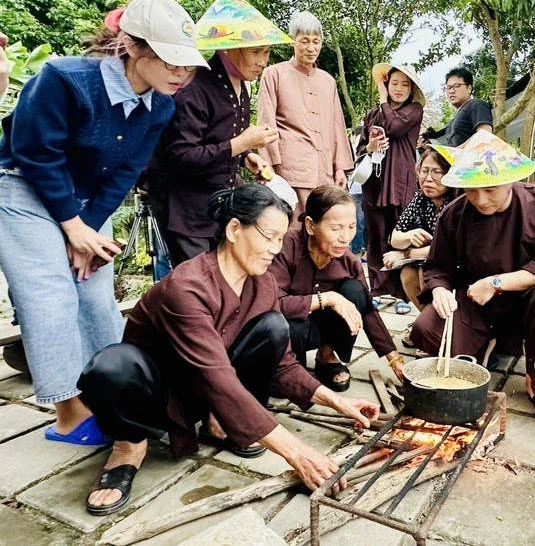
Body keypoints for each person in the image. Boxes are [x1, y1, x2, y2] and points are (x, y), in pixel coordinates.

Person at [79, 185, 380, 515]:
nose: (274, 249)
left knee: (274, 327)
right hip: (161, 392)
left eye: (280, 239)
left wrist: (338, 402)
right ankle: (128, 446)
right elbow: (216, 375)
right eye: (268, 237)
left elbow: (283, 364)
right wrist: (297, 452)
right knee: (111, 366)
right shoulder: (187, 286)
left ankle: (220, 421)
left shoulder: (262, 282)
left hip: (205, 389)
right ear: (235, 229)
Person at [0, 0, 208, 446]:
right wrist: (71, 226)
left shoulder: (163, 104)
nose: (181, 74)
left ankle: (113, 391)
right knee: (51, 295)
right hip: (25, 186)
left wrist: (88, 227)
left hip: (93, 200)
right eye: (171, 61)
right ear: (134, 47)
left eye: (187, 64)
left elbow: (129, 171)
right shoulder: (64, 78)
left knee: (95, 296)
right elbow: (36, 153)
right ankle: (68, 412)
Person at [409, 131, 535, 427]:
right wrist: (440, 291)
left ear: (510, 180)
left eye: (491, 190)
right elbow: (437, 268)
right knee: (426, 327)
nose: (481, 200)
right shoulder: (454, 212)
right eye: (472, 191)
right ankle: (475, 355)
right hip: (474, 304)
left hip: (527, 303)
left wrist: (496, 282)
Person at [146, 0, 293, 266]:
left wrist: (245, 157)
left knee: (224, 282)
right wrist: (241, 144)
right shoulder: (195, 87)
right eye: (256, 51)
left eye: (267, 52)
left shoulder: (241, 85)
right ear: (229, 49)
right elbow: (180, 155)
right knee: (196, 284)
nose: (263, 61)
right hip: (186, 208)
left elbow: (219, 141)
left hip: (220, 205)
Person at [269, 186, 404, 391]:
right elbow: (272, 304)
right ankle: (288, 368)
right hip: (292, 329)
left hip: (323, 326)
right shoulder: (286, 247)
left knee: (354, 291)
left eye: (351, 227)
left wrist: (394, 359)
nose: (345, 237)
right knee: (290, 326)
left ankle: (326, 355)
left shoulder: (348, 261)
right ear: (310, 225)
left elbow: (367, 310)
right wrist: (328, 298)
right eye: (335, 228)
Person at [256, 11, 353, 218]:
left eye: (316, 41)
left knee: (321, 228)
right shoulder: (274, 74)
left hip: (324, 169)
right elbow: (266, 122)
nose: (311, 48)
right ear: (293, 41)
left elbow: (337, 126)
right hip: (289, 169)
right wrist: (269, 168)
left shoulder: (328, 81)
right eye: (305, 41)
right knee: (291, 229)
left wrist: (339, 169)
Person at [357, 63, 425, 315]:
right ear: (387, 83)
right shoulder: (372, 115)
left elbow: (395, 127)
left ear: (411, 90)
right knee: (375, 237)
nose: (398, 89)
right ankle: (377, 289)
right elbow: (360, 149)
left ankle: (402, 294)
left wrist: (383, 99)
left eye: (405, 85)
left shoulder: (414, 111)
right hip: (374, 184)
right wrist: (370, 148)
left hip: (400, 182)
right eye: (394, 83)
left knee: (400, 234)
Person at [384, 147, 455, 314]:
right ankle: (428, 323)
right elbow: (394, 237)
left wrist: (405, 254)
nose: (428, 179)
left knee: (425, 273)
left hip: (453, 262)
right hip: (428, 258)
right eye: (424, 171)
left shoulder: (456, 203)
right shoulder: (421, 198)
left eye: (437, 172)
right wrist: (409, 235)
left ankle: (436, 325)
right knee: (408, 274)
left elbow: (447, 249)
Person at [421, 67, 492, 147]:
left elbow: (485, 135)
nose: (451, 91)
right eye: (448, 88)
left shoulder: (476, 105)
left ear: (469, 88)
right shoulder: (455, 118)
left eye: (456, 86)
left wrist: (456, 151)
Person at [348, 125, 367, 256]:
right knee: (363, 223)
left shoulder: (355, 149)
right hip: (364, 190)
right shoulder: (365, 149)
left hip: (356, 190)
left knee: (358, 223)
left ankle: (356, 252)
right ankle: (361, 251)